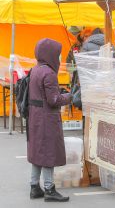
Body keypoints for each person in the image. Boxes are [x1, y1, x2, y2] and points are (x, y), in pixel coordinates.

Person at [28, 38, 72, 202]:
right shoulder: (49, 73)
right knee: (48, 152)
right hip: (47, 118)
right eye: (58, 54)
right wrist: (68, 96)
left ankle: (34, 187)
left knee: (37, 151)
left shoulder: (35, 70)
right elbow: (54, 100)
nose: (59, 57)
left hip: (35, 116)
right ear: (51, 54)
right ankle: (49, 189)